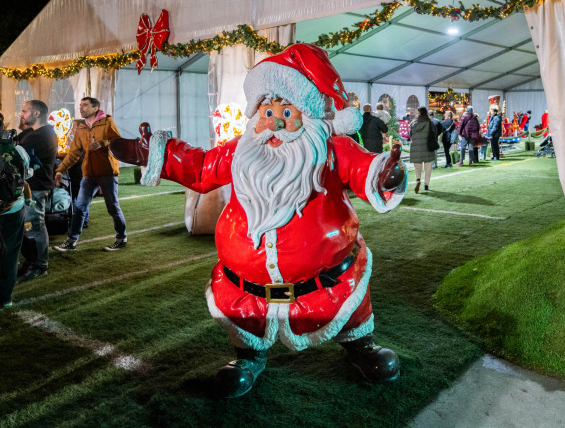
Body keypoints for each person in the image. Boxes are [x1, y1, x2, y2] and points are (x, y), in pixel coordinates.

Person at [110, 43, 407, 398]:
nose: (274, 120)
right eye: (267, 110)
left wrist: (386, 173)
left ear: (309, 115)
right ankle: (248, 357)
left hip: (328, 279)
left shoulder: (331, 149)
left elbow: (364, 167)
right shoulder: (241, 150)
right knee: (248, 320)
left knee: (348, 306)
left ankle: (361, 346)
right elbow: (202, 166)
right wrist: (155, 152)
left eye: (286, 109)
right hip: (246, 284)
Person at [53, 97, 127, 252]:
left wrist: (102, 144)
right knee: (79, 207)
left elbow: (118, 142)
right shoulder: (80, 128)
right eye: (80, 105)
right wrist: (60, 170)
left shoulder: (107, 122)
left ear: (95, 108)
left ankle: (121, 238)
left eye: (85, 105)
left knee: (112, 207)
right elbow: (73, 153)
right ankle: (71, 241)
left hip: (107, 172)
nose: (81, 108)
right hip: (88, 174)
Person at [15, 100, 58, 282]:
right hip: (31, 187)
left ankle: (39, 265)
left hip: (35, 188)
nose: (21, 114)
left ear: (37, 113)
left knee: (33, 227)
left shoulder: (40, 136)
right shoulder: (36, 133)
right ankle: (32, 262)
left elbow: (14, 152)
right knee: (27, 228)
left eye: (25, 111)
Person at [0, 113, 30, 310]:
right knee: (10, 254)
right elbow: (26, 175)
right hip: (13, 209)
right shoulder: (17, 149)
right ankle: (5, 298)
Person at [409, 107, 436, 192]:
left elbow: (410, 135)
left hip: (416, 147)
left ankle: (418, 180)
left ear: (418, 113)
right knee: (427, 168)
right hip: (428, 147)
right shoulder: (430, 123)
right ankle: (426, 185)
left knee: (417, 168)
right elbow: (435, 133)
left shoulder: (413, 123)